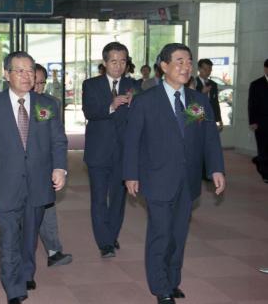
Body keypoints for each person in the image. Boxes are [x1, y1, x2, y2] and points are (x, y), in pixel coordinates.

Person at [123, 43, 225, 304]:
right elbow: (132, 140)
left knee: (179, 233)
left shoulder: (198, 101)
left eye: (189, 62)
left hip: (187, 179)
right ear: (164, 66)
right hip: (156, 178)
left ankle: (172, 279)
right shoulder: (146, 101)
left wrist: (216, 168)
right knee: (161, 232)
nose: (186, 67)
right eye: (179, 61)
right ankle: (160, 287)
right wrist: (130, 174)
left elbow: (209, 138)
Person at [0, 51, 68, 304]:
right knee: (8, 237)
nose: (27, 76)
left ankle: (27, 272)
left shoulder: (46, 105)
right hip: (5, 184)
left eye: (30, 71)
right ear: (6, 75)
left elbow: (58, 140)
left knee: (30, 233)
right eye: (20, 70)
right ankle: (13, 287)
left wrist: (60, 168)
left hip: (38, 183)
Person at [82, 41, 136, 259]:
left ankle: (111, 235)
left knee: (118, 198)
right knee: (98, 198)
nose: (118, 66)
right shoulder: (91, 84)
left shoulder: (134, 86)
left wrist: (135, 104)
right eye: (113, 61)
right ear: (104, 63)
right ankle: (104, 243)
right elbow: (89, 112)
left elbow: (139, 119)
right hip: (98, 152)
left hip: (123, 153)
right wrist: (112, 105)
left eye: (123, 61)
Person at [33, 63, 72, 267]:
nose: (37, 87)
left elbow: (58, 136)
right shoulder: (10, 103)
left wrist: (59, 166)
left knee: (48, 209)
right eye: (34, 82)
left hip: (46, 165)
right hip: (21, 169)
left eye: (41, 83)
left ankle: (54, 250)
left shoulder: (51, 103)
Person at [248, 58, 268, 183]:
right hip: (261, 122)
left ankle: (259, 162)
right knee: (263, 148)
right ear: (265, 69)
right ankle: (265, 174)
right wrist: (253, 121)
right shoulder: (256, 84)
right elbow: (252, 104)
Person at [196, 58, 223, 131]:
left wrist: (219, 119)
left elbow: (215, 103)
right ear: (199, 69)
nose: (207, 72)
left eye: (209, 70)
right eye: (205, 69)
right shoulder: (192, 83)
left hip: (211, 118)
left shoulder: (213, 84)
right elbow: (190, 101)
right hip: (197, 118)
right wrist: (202, 92)